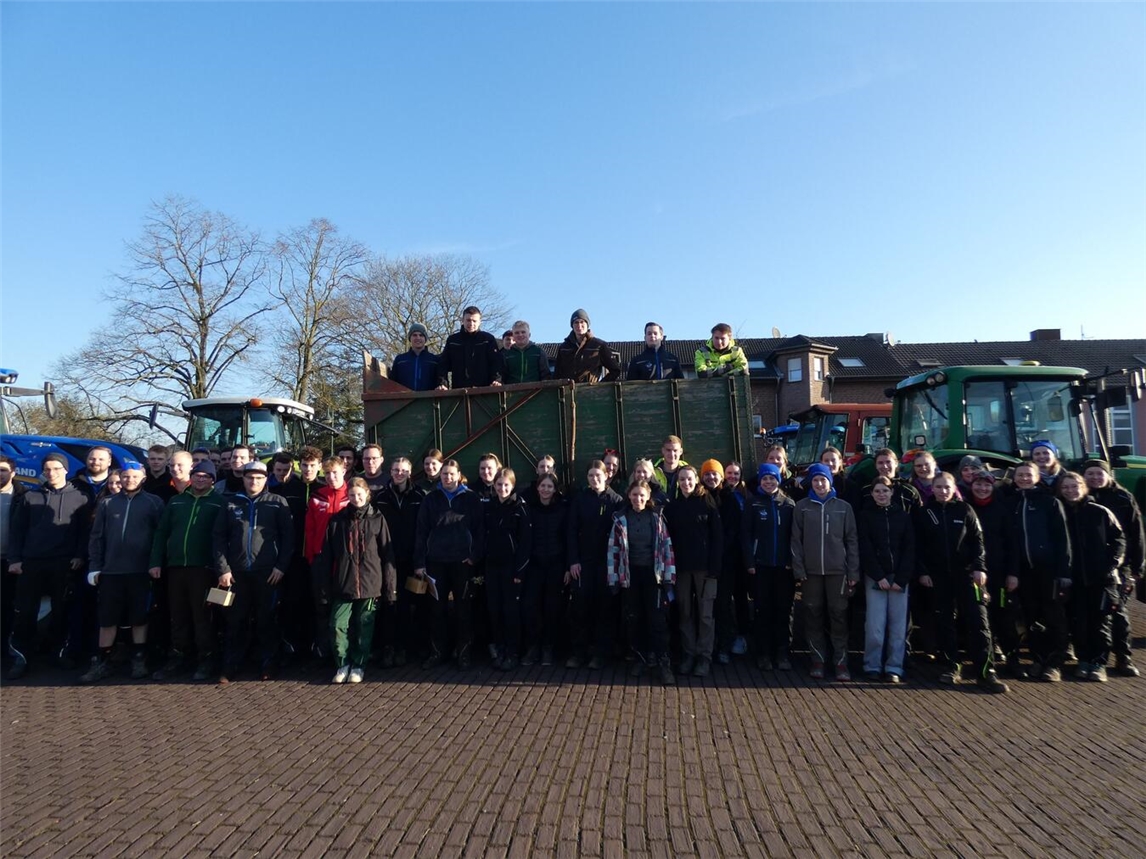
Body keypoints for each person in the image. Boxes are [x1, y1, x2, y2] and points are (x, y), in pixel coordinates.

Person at [913, 472, 1008, 693]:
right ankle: (950, 665)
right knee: (945, 622)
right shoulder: (924, 513)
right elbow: (918, 546)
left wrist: (979, 567)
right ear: (932, 489)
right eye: (938, 487)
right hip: (938, 577)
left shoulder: (965, 510)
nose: (942, 491)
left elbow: (978, 541)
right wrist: (923, 572)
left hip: (966, 575)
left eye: (946, 487)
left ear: (953, 488)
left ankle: (986, 671)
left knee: (979, 622)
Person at [7, 453, 94, 680]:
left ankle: (61, 653)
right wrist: (15, 559)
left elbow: (84, 532)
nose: (52, 473)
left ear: (65, 470)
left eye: (56, 468)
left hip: (64, 564)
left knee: (62, 612)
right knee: (25, 613)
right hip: (31, 563)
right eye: (47, 469)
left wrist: (79, 555)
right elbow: (16, 530)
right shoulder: (30, 497)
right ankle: (21, 657)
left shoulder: (81, 498)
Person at [79, 460, 166, 683]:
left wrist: (155, 563)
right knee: (107, 619)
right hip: (110, 571)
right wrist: (95, 566)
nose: (130, 480)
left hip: (140, 571)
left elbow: (161, 536)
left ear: (143, 478)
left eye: (134, 477)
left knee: (139, 617)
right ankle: (101, 661)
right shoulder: (108, 504)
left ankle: (139, 658)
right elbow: (96, 537)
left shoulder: (154, 503)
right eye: (126, 477)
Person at [213, 461, 294, 683]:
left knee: (266, 620)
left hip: (267, 572)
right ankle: (230, 666)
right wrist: (223, 568)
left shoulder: (277, 503)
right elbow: (218, 538)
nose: (254, 481)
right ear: (244, 478)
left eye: (259, 478)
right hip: (236, 574)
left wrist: (281, 567)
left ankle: (269, 664)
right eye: (250, 477)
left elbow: (288, 539)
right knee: (234, 621)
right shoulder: (229, 503)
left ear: (265, 479)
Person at [313, 477, 397, 684]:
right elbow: (327, 556)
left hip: (370, 582)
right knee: (337, 625)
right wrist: (323, 586)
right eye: (352, 495)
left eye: (360, 494)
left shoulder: (377, 519)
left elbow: (387, 555)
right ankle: (343, 663)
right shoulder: (337, 520)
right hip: (344, 581)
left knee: (364, 626)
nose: (356, 498)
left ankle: (359, 664)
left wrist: (390, 587)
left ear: (367, 494)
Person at [149, 459, 225, 682]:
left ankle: (206, 659)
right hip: (175, 567)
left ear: (213, 480)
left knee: (202, 616)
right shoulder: (175, 501)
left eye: (206, 476)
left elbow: (222, 537)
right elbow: (161, 533)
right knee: (178, 615)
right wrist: (155, 561)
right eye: (197, 475)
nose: (201, 479)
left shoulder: (219, 502)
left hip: (204, 569)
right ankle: (179, 657)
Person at [413, 459, 484, 669]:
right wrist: (419, 562)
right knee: (436, 610)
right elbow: (421, 531)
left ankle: (463, 653)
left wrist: (474, 556)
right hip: (435, 563)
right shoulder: (431, 499)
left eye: (451, 474)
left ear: (459, 475)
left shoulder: (471, 498)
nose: (447, 477)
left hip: (463, 563)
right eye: (444, 474)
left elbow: (480, 531)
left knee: (464, 609)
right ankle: (438, 652)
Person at [791, 463, 859, 680]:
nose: (819, 484)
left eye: (823, 479)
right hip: (810, 573)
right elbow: (795, 541)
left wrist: (853, 572)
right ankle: (817, 659)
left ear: (830, 481)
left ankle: (840, 662)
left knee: (838, 616)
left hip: (838, 572)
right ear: (810, 482)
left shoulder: (843, 507)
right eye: (815, 480)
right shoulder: (801, 507)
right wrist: (798, 568)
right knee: (813, 615)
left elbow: (852, 541)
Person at [1057, 472, 1126, 683]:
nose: (1070, 491)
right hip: (1074, 579)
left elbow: (1119, 539)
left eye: (1074, 486)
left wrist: (1111, 564)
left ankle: (1098, 663)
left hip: (1101, 579)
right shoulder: (1058, 513)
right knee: (1078, 622)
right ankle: (1083, 660)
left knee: (1100, 623)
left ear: (1083, 487)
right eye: (1066, 487)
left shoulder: (1100, 512)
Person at [607, 480, 677, 685]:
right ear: (629, 496)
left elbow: (666, 548)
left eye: (642, 495)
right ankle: (640, 658)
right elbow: (613, 551)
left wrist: (668, 578)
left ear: (648, 498)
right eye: (634, 495)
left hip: (653, 576)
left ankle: (663, 662)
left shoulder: (656, 518)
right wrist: (613, 579)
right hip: (630, 576)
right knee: (634, 618)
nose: (638, 499)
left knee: (657, 620)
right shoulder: (620, 519)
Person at [1007, 461, 1072, 682]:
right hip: (1024, 571)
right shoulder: (1010, 502)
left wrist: (1064, 572)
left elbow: (1062, 539)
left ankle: (1054, 663)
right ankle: (1038, 659)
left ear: (1037, 478)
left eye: (1028, 475)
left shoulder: (1050, 502)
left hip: (1049, 570)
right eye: (1020, 475)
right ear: (1014, 478)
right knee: (1031, 616)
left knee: (1054, 616)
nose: (1024, 478)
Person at [1083, 459, 1144, 677]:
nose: (1095, 478)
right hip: (1089, 565)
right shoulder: (1080, 498)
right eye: (1090, 474)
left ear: (1108, 475)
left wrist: (1137, 566)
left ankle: (1123, 657)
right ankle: (1094, 657)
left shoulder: (1122, 498)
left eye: (1099, 473)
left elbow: (1136, 534)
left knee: (1117, 611)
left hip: (1118, 565)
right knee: (1094, 614)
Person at [566, 460, 625, 669]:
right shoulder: (580, 500)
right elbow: (571, 530)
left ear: (606, 476)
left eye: (598, 475)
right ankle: (579, 652)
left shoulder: (617, 501)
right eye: (590, 476)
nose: (594, 479)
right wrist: (573, 560)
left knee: (604, 609)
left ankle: (601, 654)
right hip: (583, 563)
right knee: (580, 608)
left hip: (607, 564)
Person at [665, 465, 722, 678]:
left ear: (696, 480)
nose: (686, 483)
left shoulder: (708, 504)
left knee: (706, 615)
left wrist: (715, 568)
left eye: (689, 479)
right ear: (677, 482)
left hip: (705, 569)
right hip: (680, 570)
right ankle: (689, 654)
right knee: (685, 613)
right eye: (682, 480)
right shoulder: (673, 508)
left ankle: (704, 657)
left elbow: (718, 538)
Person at [857, 476, 915, 683]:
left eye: (885, 491)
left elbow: (910, 548)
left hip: (899, 578)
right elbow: (865, 548)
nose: (881, 494)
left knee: (898, 627)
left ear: (892, 493)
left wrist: (902, 578)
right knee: (875, 625)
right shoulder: (865, 516)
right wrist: (878, 576)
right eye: (877, 491)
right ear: (872, 494)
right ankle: (872, 665)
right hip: (876, 578)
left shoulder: (904, 517)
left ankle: (894, 667)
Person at [270, 446, 324, 662]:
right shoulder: (288, 488)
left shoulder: (323, 489)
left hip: (317, 556)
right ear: (297, 467)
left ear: (319, 466)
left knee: (316, 603)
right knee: (292, 602)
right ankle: (292, 647)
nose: (308, 469)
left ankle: (316, 648)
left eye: (312, 466)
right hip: (292, 558)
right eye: (304, 465)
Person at [968, 469, 1024, 676]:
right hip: (974, 575)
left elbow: (1012, 545)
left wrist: (1013, 573)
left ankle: (1013, 659)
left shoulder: (1002, 510)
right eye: (978, 484)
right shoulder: (966, 508)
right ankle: (985, 662)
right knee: (980, 620)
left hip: (1000, 574)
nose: (982, 488)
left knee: (1005, 618)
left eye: (986, 485)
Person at [743, 464, 796, 671]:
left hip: (784, 568)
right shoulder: (752, 504)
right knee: (762, 610)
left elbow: (795, 537)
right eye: (765, 479)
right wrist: (750, 562)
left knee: (783, 611)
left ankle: (782, 652)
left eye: (772, 479)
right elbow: (745, 535)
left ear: (778, 480)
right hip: (760, 566)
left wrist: (793, 561)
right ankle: (763, 654)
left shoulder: (789, 505)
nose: (768, 482)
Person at [375, 457, 426, 667]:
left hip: (409, 559)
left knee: (407, 604)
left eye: (403, 470)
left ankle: (403, 648)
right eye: (396, 470)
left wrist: (419, 560)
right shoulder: (380, 497)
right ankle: (388, 647)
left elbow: (423, 530)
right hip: (385, 559)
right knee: (388, 603)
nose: (399, 473)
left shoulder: (419, 496)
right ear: (391, 471)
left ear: (410, 473)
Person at [483, 468, 531, 670]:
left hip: (511, 569)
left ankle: (513, 652)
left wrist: (519, 572)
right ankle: (499, 648)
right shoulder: (488, 506)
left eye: (506, 485)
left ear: (512, 486)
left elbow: (526, 543)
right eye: (499, 484)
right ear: (494, 486)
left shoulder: (520, 508)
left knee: (511, 611)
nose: (502, 488)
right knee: (494, 610)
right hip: (491, 567)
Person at [304, 456, 351, 660]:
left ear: (344, 471)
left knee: (345, 605)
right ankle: (323, 651)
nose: (331, 477)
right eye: (327, 473)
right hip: (321, 558)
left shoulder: (353, 495)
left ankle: (345, 651)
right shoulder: (317, 496)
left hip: (346, 559)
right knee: (322, 605)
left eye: (335, 473)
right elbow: (310, 529)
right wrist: (312, 556)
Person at [704, 459, 749, 665]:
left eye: (715, 474)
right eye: (707, 474)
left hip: (726, 561)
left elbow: (733, 530)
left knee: (723, 604)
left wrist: (720, 552)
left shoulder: (729, 498)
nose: (711, 477)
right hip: (704, 561)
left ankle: (724, 645)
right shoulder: (700, 497)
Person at [523, 472, 567, 666]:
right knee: (531, 608)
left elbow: (568, 538)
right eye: (543, 486)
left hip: (556, 565)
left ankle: (548, 648)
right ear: (537, 488)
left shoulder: (563, 509)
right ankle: (533, 647)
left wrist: (566, 567)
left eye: (550, 486)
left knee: (552, 608)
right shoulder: (529, 509)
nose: (546, 490)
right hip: (534, 565)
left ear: (555, 489)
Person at [0, 456, 28, 672]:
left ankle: (9, 652)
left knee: (9, 608)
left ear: (13, 472)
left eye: (2, 470)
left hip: (11, 562)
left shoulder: (23, 497)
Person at [436, 306, 503, 389]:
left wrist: (497, 380)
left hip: (484, 390)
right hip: (459, 391)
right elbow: (443, 364)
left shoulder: (488, 339)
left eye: (474, 321)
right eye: (468, 320)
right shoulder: (452, 341)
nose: (471, 324)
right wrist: (443, 383)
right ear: (462, 320)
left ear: (480, 322)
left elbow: (496, 362)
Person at [554, 309, 620, 384]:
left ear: (587, 324)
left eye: (582, 322)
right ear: (572, 325)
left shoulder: (599, 345)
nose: (579, 325)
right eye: (576, 322)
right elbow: (557, 374)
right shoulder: (564, 348)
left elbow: (615, 370)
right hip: (568, 392)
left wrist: (600, 386)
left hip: (590, 393)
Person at [390, 323, 440, 392]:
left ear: (425, 338)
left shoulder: (434, 360)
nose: (418, 338)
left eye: (421, 335)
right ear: (410, 338)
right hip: (404, 400)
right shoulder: (400, 360)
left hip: (428, 401)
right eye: (414, 335)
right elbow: (392, 382)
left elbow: (440, 381)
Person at [502, 320, 554, 385]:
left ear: (529, 335)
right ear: (513, 336)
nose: (520, 335)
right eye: (517, 333)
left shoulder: (538, 352)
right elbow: (503, 376)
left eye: (523, 332)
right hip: (512, 392)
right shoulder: (506, 355)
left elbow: (546, 375)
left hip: (535, 392)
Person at [652, 435, 689, 501]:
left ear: (681, 451)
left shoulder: (688, 472)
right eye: (668, 450)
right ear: (663, 451)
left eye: (675, 450)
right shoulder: (652, 473)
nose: (672, 454)